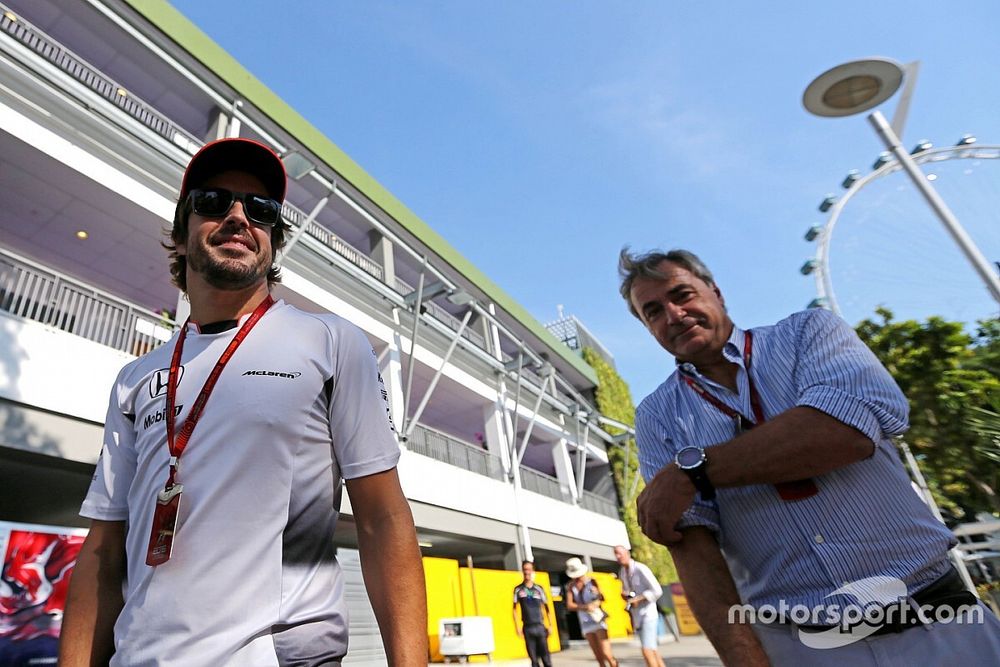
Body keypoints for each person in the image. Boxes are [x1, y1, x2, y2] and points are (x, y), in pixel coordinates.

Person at [59, 138, 427, 666]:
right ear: (182, 237)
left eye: (260, 209)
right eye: (213, 202)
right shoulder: (134, 378)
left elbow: (383, 519)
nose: (238, 217)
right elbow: (102, 549)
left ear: (272, 240)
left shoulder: (331, 342)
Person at [618, 247, 1000, 666]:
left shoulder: (807, 334)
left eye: (682, 294)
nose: (673, 314)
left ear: (716, 291)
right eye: (653, 311)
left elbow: (841, 432)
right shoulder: (656, 415)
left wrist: (692, 472)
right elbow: (692, 547)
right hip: (801, 647)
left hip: (939, 625)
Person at [614, 545, 665, 667]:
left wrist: (639, 599)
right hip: (637, 616)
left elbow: (657, 591)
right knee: (652, 650)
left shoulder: (641, 569)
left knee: (646, 650)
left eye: (619, 553)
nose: (617, 557)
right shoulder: (622, 572)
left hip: (648, 614)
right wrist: (625, 595)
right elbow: (629, 593)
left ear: (627, 553)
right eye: (615, 554)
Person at [564, 557, 618, 667]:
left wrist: (596, 598)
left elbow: (602, 598)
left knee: (606, 653)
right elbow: (569, 605)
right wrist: (585, 607)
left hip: (597, 619)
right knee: (598, 656)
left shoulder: (592, 581)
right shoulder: (571, 586)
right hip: (585, 621)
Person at [512, 560, 553, 667]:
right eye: (525, 569)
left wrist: (550, 625)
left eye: (529, 569)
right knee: (533, 660)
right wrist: (517, 627)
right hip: (527, 627)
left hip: (540, 626)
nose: (527, 572)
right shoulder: (518, 589)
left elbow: (547, 608)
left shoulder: (539, 589)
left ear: (533, 571)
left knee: (546, 658)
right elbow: (514, 609)